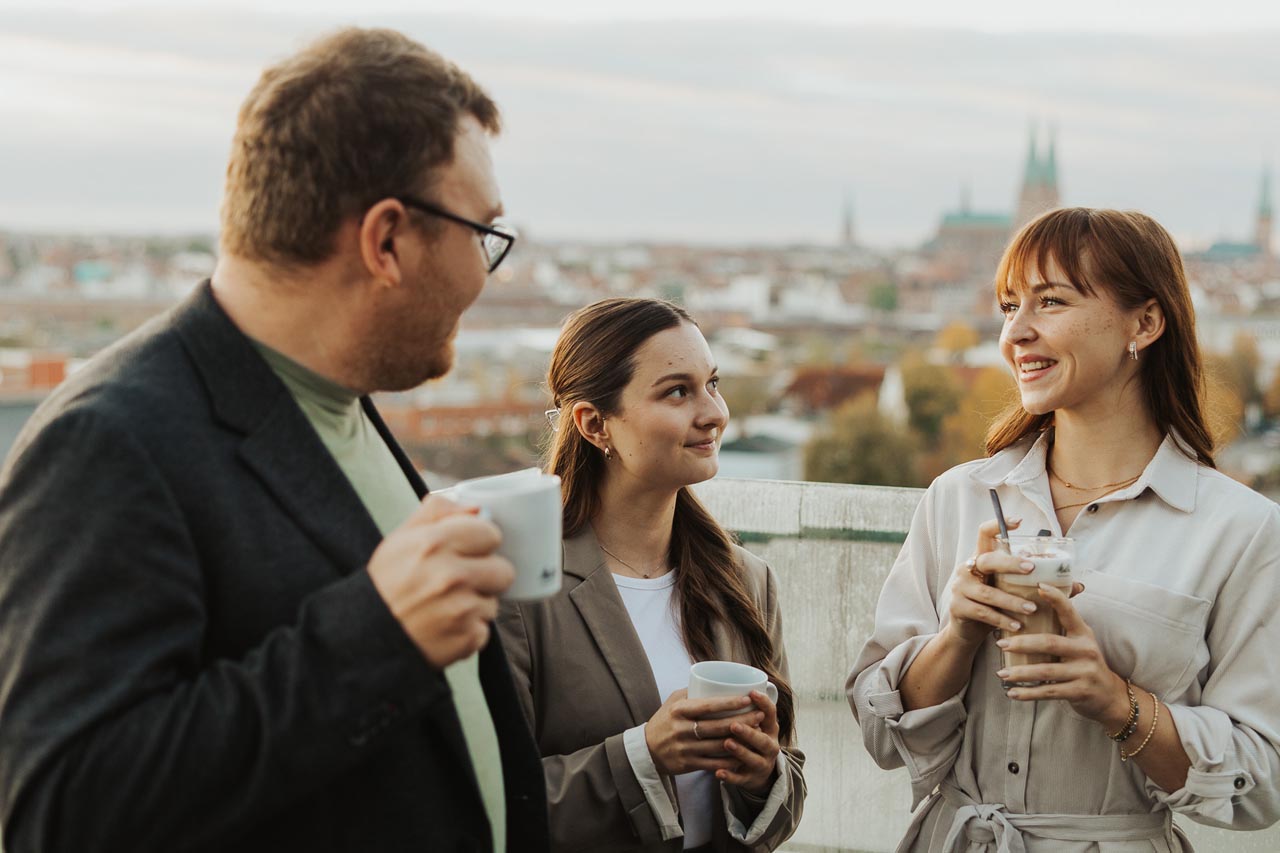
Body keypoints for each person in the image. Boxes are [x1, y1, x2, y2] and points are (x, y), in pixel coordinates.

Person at [0, 28, 548, 853]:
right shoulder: (107, 443)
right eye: (484, 235)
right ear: (387, 241)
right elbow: (63, 812)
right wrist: (374, 637)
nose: (484, 272)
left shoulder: (336, 396)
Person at [848, 207, 1280, 852]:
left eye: (1050, 302)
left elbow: (1261, 784)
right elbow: (881, 734)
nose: (1016, 332)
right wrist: (957, 635)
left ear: (1146, 322)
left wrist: (1114, 702)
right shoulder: (960, 498)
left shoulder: (1240, 531)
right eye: (1008, 305)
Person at [495, 298, 806, 851]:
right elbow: (490, 802)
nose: (713, 413)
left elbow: (788, 783)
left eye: (713, 383)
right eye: (677, 391)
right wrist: (643, 755)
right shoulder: (519, 588)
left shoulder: (747, 581)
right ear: (594, 424)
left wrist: (763, 777)